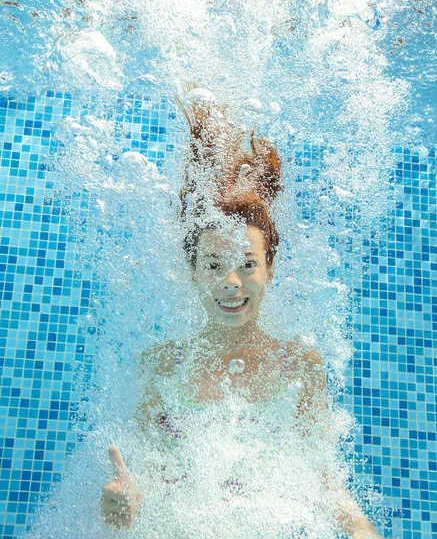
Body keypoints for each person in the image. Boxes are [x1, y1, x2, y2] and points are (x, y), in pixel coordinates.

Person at [99, 87, 382, 539]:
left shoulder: (301, 368)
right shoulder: (161, 367)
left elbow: (326, 483)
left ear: (270, 268)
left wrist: (363, 531)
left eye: (247, 264)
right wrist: (124, 504)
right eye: (213, 265)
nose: (231, 282)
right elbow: (144, 477)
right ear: (191, 273)